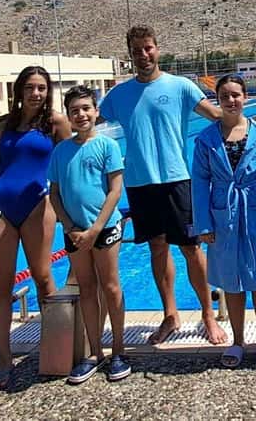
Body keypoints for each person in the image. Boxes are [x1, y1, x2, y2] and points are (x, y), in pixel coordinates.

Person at [97, 25, 232, 345]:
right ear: (130, 56)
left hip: (177, 179)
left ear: (157, 48)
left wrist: (250, 123)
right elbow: (90, 122)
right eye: (136, 51)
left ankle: (208, 315)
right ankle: (170, 315)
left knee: (191, 248)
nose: (143, 55)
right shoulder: (119, 95)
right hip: (140, 183)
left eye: (148, 48)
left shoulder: (180, 86)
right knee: (157, 248)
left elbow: (217, 116)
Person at [0, 66, 72, 389]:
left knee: (43, 277)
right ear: (19, 91)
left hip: (39, 205)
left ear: (48, 91)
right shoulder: (0, 126)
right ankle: (4, 358)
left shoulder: (56, 123)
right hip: (1, 204)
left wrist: (70, 208)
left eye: (41, 87)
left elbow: (70, 166)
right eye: (30, 87)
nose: (36, 93)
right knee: (1, 285)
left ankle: (54, 348)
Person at [191, 74, 256, 368]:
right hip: (223, 215)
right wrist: (204, 224)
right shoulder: (206, 139)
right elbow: (199, 184)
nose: (231, 100)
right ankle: (238, 340)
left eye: (236, 95)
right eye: (225, 96)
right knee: (231, 280)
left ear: (246, 97)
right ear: (217, 100)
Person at [48, 85, 130, 385]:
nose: (81, 114)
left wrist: (95, 229)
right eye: (74, 111)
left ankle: (118, 350)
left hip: (104, 228)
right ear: (68, 116)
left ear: (96, 111)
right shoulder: (61, 151)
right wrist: (69, 226)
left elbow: (115, 191)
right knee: (86, 289)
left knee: (110, 286)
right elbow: (54, 193)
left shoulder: (108, 145)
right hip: (75, 231)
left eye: (86, 108)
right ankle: (94, 353)